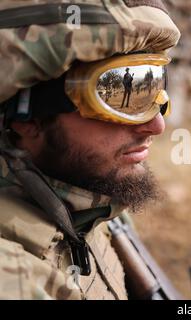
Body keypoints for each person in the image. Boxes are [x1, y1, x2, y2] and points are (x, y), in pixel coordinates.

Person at [0, 0, 180, 299]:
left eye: (152, 86)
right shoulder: (12, 280)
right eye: (124, 93)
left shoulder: (91, 204)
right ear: (27, 117)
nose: (156, 125)